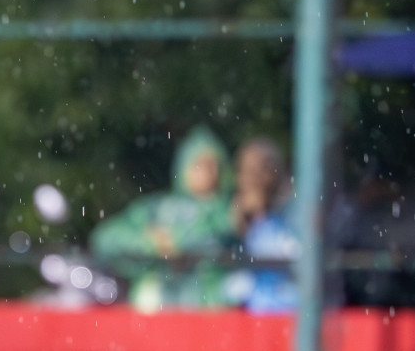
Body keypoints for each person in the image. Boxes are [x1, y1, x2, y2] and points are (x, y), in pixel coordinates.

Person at [89, 125, 234, 312]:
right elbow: (104, 239)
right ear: (183, 166)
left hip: (208, 309)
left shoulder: (229, 208)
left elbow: (217, 237)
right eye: (200, 164)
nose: (208, 172)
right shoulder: (157, 207)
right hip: (154, 308)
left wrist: (176, 240)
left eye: (214, 165)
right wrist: (147, 242)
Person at [223, 137, 298, 313]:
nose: (254, 179)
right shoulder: (227, 217)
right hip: (243, 319)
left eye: (262, 170)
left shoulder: (293, 217)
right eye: (247, 171)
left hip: (284, 315)